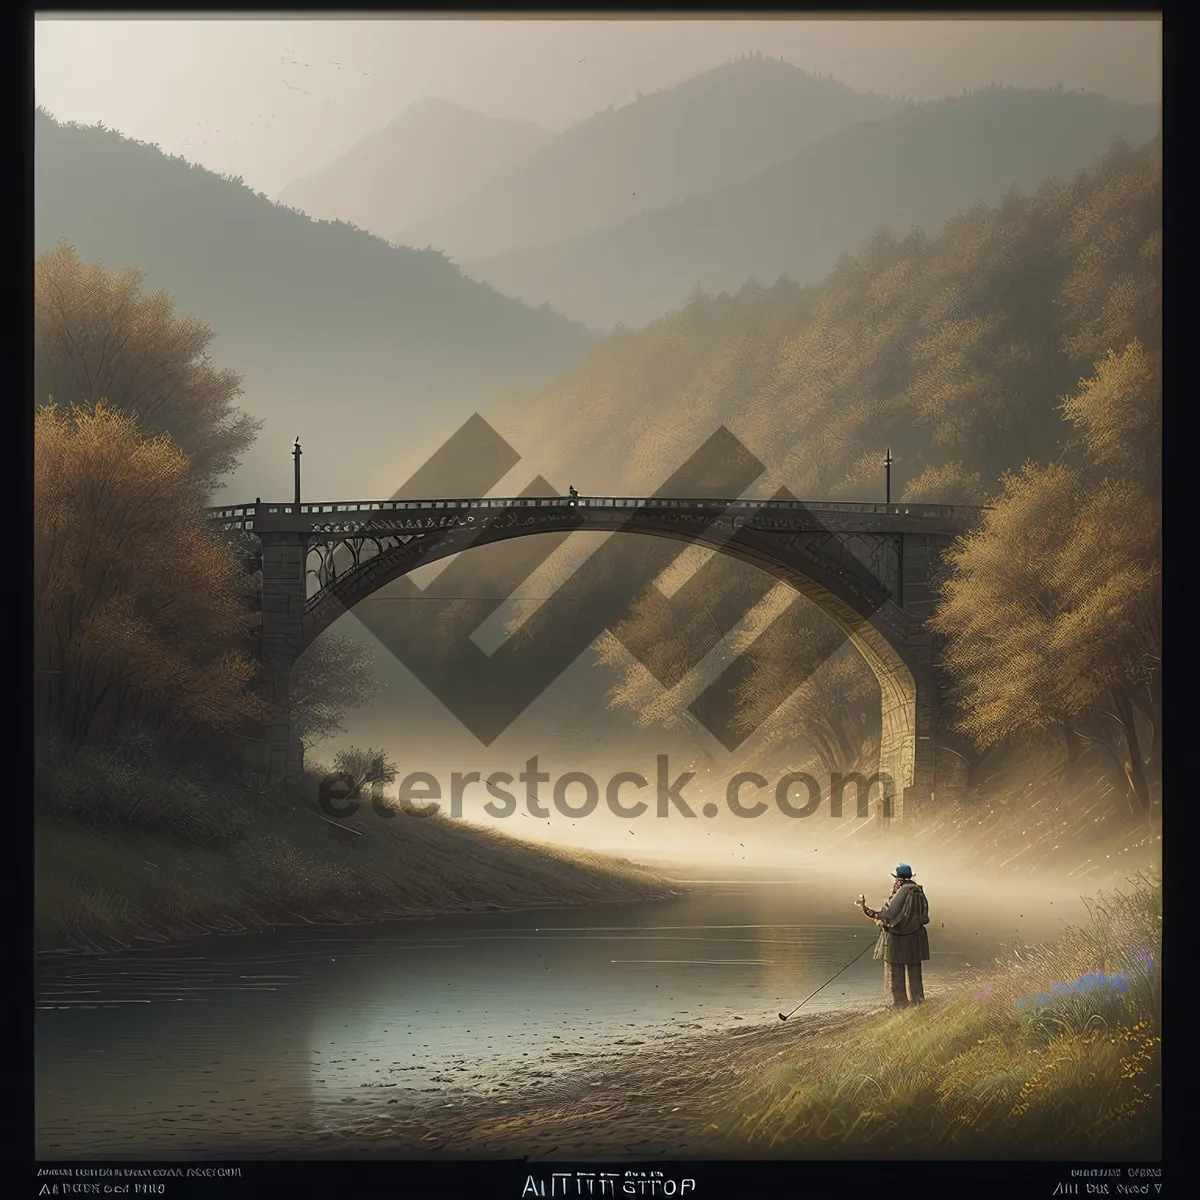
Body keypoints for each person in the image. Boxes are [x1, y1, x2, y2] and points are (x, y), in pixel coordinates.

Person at [855, 863, 930, 1007]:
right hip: (916, 938)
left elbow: (888, 914)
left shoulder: (902, 891)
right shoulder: (918, 891)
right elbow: (924, 915)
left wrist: (867, 910)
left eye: (896, 879)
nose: (895, 882)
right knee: (914, 970)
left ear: (899, 878)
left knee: (896, 970)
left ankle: (900, 1003)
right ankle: (918, 1000)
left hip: (899, 939)